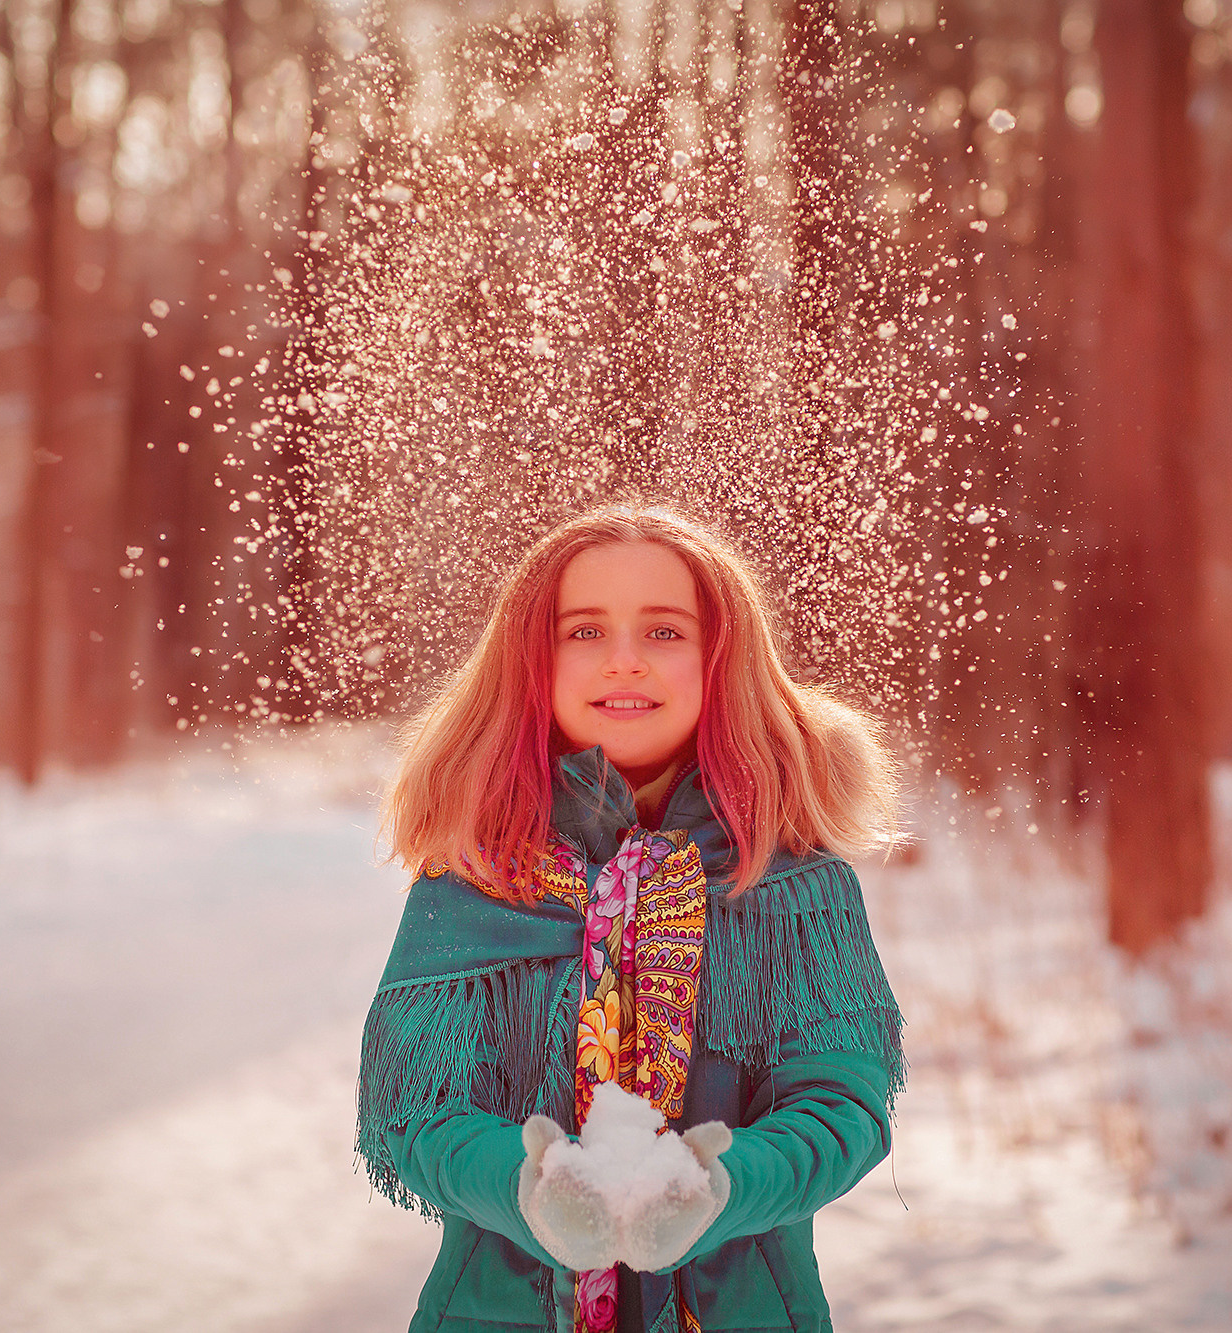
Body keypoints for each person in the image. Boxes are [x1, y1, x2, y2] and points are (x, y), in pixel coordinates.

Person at [358, 504, 905, 1333]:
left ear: (721, 660)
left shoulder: (794, 882)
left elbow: (842, 1103)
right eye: (584, 631)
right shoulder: (474, 873)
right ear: (532, 661)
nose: (624, 661)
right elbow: (417, 1110)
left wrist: (716, 1187)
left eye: (664, 632)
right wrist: (529, 1187)